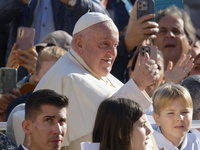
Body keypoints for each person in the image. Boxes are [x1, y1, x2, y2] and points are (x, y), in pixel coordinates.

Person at [34, 12, 160, 150]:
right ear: (80, 43)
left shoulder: (96, 71)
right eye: (105, 44)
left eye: (115, 45)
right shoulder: (69, 77)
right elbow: (107, 123)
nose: (112, 53)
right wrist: (136, 85)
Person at [5, 45, 67, 120]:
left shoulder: (75, 102)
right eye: (47, 75)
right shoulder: (19, 108)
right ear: (36, 74)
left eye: (59, 74)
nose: (54, 79)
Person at [152, 83, 200, 149]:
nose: (180, 118)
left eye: (185, 112)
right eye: (171, 113)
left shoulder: (194, 141)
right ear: (157, 118)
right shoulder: (148, 143)